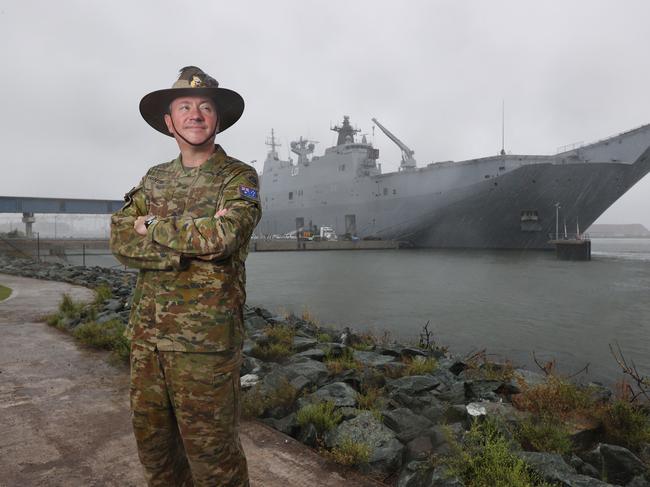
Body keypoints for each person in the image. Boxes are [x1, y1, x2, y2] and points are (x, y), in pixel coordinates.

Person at [110, 66, 261, 486]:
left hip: (206, 347)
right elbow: (121, 238)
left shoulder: (237, 177)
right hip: (147, 341)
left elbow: (224, 236)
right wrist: (186, 249)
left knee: (215, 460)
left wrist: (155, 226)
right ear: (169, 121)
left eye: (205, 107)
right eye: (185, 107)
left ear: (218, 119)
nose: (195, 114)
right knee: (156, 453)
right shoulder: (155, 178)